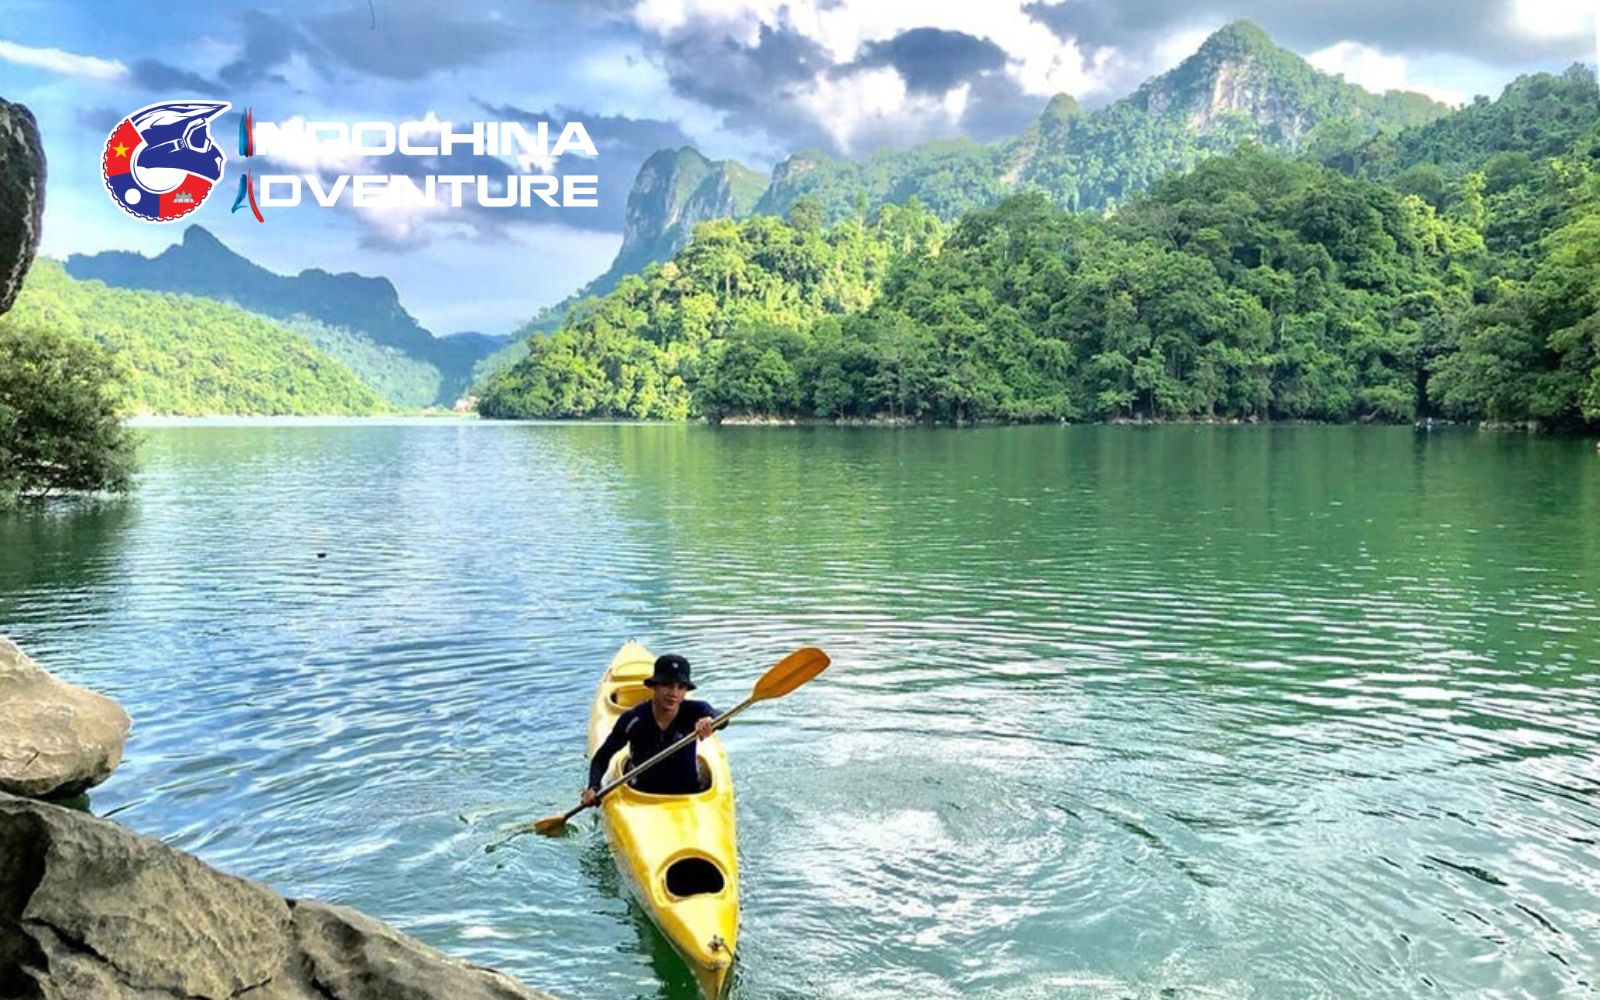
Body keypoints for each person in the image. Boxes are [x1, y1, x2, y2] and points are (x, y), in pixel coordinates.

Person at [582, 654, 718, 805]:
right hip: (643, 796)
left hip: (688, 795)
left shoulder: (695, 711)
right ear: (654, 685)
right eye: (667, 685)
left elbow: (721, 717)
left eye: (680, 687)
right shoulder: (633, 719)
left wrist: (711, 721)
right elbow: (602, 757)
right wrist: (593, 787)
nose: (673, 693)